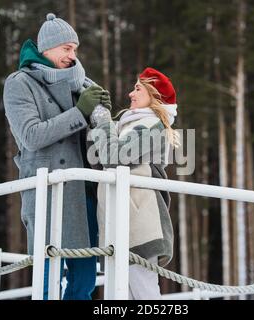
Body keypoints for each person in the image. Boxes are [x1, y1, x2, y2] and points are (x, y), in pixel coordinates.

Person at [3, 13, 111, 300]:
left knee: (85, 282)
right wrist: (80, 112)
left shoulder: (83, 85)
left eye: (75, 48)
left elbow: (98, 146)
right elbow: (32, 136)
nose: (73, 55)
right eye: (66, 48)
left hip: (85, 192)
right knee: (48, 281)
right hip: (47, 193)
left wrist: (103, 118)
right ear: (46, 48)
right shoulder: (20, 83)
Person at [88, 67, 179, 299]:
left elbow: (113, 156)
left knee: (144, 291)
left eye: (137, 88)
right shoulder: (126, 125)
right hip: (120, 221)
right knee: (121, 294)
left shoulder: (154, 126)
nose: (130, 93)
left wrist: (102, 120)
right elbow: (97, 156)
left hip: (139, 224)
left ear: (154, 95)